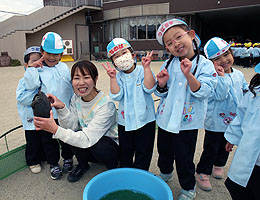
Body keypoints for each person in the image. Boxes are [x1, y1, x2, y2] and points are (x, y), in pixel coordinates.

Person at [155, 18, 218, 200]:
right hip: (166, 119)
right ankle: (165, 173)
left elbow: (205, 91)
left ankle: (188, 187)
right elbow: (162, 94)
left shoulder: (205, 64)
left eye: (178, 37)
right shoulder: (168, 64)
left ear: (191, 36)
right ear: (167, 49)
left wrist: (189, 75)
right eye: (169, 43)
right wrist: (162, 84)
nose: (175, 44)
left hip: (187, 124)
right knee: (164, 151)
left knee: (184, 157)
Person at [33, 60, 119, 182]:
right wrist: (61, 107)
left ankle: (113, 167)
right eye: (76, 78)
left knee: (97, 144)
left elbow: (88, 139)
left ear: (95, 79)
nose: (81, 83)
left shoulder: (106, 105)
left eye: (86, 77)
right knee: (72, 133)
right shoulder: (76, 98)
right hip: (89, 144)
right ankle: (83, 164)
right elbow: (71, 126)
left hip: (109, 147)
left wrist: (54, 129)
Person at [16, 32, 74, 180]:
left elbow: (70, 87)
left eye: (57, 54)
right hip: (47, 114)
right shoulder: (38, 69)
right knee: (49, 141)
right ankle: (54, 164)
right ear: (42, 52)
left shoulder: (64, 67)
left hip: (64, 110)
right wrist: (32, 69)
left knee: (66, 138)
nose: (52, 57)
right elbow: (31, 85)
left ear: (61, 54)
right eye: (49, 53)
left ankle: (68, 158)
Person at [195, 37, 249, 191]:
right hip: (215, 121)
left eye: (226, 55)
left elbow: (244, 89)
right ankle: (202, 171)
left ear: (231, 53)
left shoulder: (238, 74)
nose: (224, 61)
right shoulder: (213, 76)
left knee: (227, 145)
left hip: (233, 120)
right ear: (210, 62)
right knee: (211, 147)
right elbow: (219, 96)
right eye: (217, 59)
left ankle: (219, 164)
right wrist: (221, 77)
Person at [103, 38, 156, 171]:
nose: (121, 57)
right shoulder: (118, 76)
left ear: (132, 55)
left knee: (144, 151)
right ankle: (127, 174)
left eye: (124, 53)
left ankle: (141, 175)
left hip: (146, 120)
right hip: (125, 121)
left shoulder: (142, 70)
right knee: (126, 151)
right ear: (114, 63)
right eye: (116, 56)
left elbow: (149, 88)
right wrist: (113, 78)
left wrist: (147, 68)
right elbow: (116, 95)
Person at [224, 63, 260, 200]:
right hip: (249, 151)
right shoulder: (255, 92)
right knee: (237, 186)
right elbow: (241, 114)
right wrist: (232, 137)